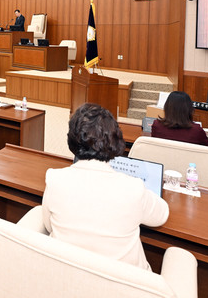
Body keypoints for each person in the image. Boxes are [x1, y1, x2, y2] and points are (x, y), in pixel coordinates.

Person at [42, 103, 169, 271]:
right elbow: (161, 215)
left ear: (71, 139)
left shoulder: (55, 178)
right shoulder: (133, 188)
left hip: (68, 276)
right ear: (115, 140)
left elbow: (49, 225)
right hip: (124, 281)